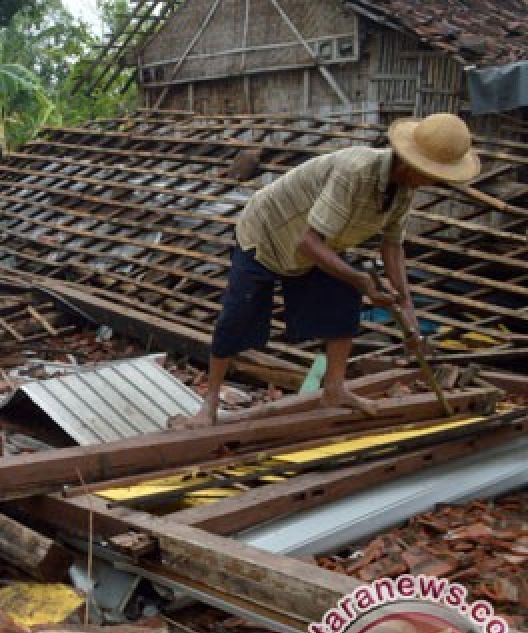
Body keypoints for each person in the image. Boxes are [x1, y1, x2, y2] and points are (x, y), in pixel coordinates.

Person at [174, 113, 481, 429]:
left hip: (319, 242)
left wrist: (407, 308)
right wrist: (361, 280)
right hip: (267, 233)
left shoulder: (403, 190)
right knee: (238, 314)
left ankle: (334, 389)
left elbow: (392, 247)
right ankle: (209, 405)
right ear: (412, 165)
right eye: (434, 175)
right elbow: (307, 242)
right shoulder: (355, 172)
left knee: (343, 298)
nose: (436, 182)